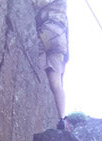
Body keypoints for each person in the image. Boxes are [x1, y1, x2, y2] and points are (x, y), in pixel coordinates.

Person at [32, 0, 70, 129]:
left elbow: (38, 3)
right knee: (56, 84)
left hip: (50, 32)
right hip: (60, 42)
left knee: (29, 53)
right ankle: (62, 118)